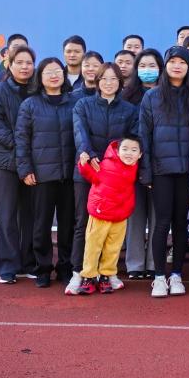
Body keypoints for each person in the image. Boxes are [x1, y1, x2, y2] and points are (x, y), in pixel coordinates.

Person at [65, 63, 138, 296]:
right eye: (104, 79)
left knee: (113, 227)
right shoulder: (83, 105)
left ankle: (108, 272)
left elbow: (131, 141)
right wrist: (89, 154)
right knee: (83, 223)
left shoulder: (129, 110)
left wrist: (116, 161)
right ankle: (79, 272)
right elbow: (80, 132)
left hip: (116, 177)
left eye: (113, 79)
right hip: (87, 169)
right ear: (97, 81)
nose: (109, 83)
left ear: (120, 82)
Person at [15, 57, 78, 288]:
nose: (54, 75)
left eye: (57, 71)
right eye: (48, 72)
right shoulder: (30, 105)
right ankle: (42, 268)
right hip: (41, 175)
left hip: (70, 175)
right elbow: (22, 139)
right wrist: (25, 168)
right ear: (39, 77)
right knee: (40, 225)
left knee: (68, 225)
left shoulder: (75, 102)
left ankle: (65, 267)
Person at [140, 46, 189, 298]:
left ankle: (176, 275)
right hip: (161, 170)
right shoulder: (151, 97)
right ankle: (159, 277)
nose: (177, 66)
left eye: (182, 62)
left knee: (181, 223)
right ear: (165, 66)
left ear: (188, 67)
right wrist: (146, 172)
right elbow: (144, 136)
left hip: (186, 171)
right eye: (172, 61)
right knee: (162, 223)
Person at [0, 46, 37, 283]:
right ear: (10, 64)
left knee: (31, 215)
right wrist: (19, 144)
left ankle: (28, 262)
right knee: (6, 215)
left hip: (34, 163)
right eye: (19, 62)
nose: (24, 67)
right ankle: (7, 266)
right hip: (5, 162)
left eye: (29, 63)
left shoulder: (38, 89)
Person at [75, 136, 142, 295]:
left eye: (134, 150)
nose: (129, 153)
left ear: (140, 155)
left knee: (113, 248)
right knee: (93, 246)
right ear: (117, 151)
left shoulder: (134, 168)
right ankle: (88, 276)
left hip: (120, 216)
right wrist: (83, 164)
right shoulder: (105, 164)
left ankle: (106, 275)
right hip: (100, 214)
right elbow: (91, 175)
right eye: (125, 149)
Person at [121, 48, 164, 278]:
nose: (148, 70)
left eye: (152, 66)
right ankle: (135, 264)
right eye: (143, 66)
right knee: (135, 215)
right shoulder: (127, 96)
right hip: (133, 165)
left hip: (160, 164)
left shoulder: (167, 94)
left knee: (158, 216)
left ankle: (153, 263)